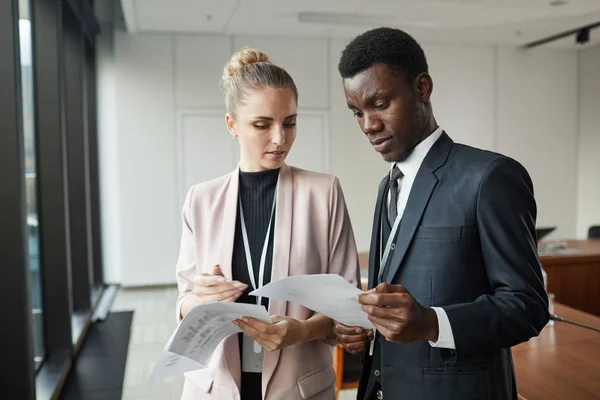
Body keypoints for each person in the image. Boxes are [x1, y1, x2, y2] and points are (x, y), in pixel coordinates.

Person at [332, 27, 549, 400]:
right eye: (357, 112)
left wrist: (434, 323)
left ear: (422, 88)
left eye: (380, 104)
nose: (367, 125)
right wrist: (368, 324)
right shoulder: (389, 185)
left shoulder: (490, 177)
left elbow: (527, 306)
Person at [175, 48, 360, 400]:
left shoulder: (324, 193)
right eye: (262, 125)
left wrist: (302, 331)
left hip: (299, 385)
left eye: (289, 123)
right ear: (232, 125)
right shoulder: (201, 199)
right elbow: (183, 301)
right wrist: (199, 300)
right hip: (215, 386)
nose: (280, 138)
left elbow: (346, 302)